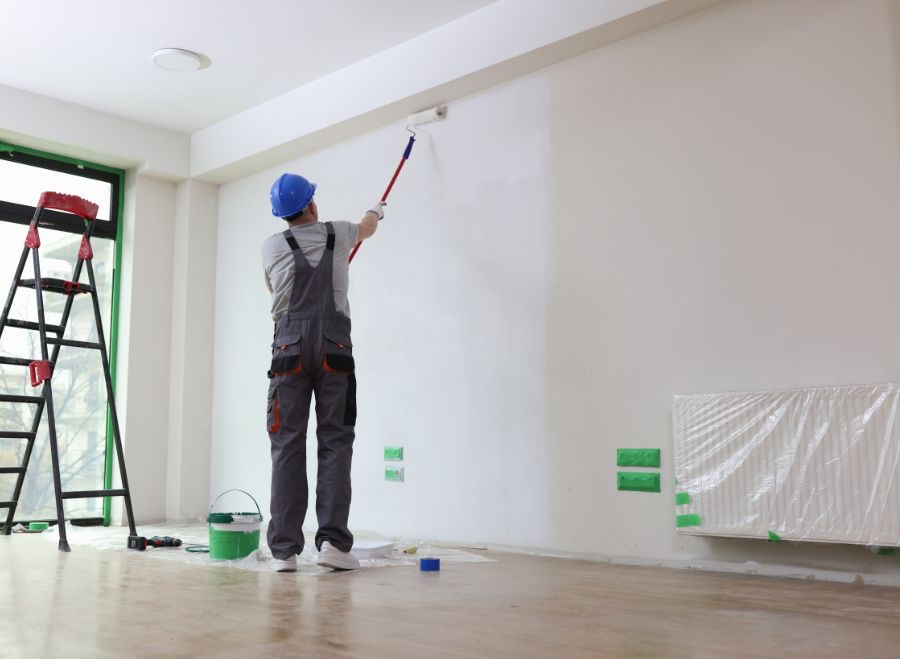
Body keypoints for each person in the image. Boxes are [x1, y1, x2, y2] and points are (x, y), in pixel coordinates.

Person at [261, 172, 382, 572]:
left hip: (288, 352)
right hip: (334, 351)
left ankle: (284, 552)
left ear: (282, 214)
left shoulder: (271, 246)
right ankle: (332, 544)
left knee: (286, 446)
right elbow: (367, 228)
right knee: (335, 442)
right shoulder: (340, 233)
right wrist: (376, 210)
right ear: (312, 204)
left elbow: (275, 293)